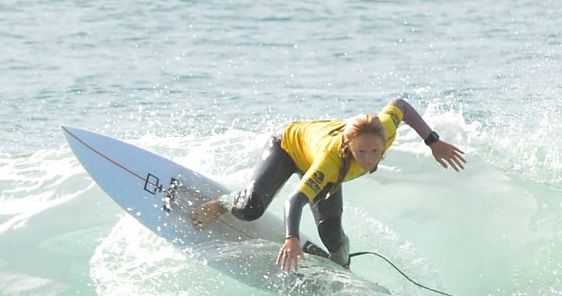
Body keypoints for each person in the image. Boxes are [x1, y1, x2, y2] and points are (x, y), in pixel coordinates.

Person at [190, 98, 466, 272]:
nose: (369, 159)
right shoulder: (330, 162)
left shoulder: (384, 128)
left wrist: (432, 140)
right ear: (348, 147)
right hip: (288, 146)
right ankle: (222, 203)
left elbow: (402, 106)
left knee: (332, 236)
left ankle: (343, 265)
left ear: (384, 142)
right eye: (362, 153)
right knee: (250, 209)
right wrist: (291, 239)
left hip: (319, 149)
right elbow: (295, 200)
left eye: (375, 152)